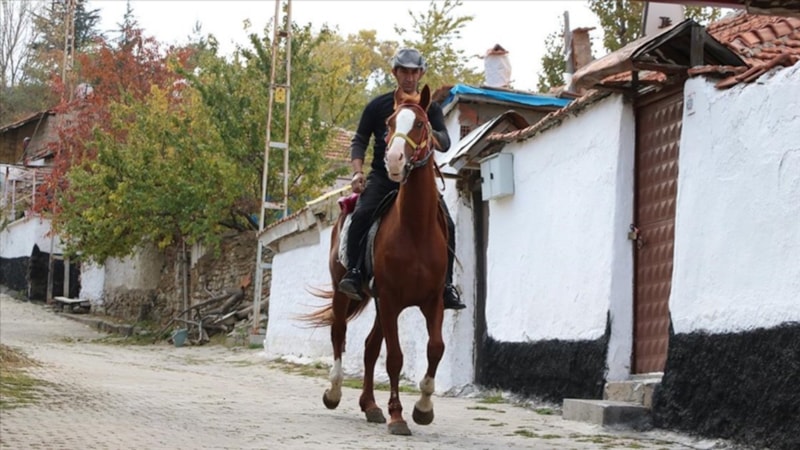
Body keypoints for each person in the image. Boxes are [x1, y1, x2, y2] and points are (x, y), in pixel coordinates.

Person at [338, 48, 466, 311]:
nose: (409, 77)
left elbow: (445, 140)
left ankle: (446, 286)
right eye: (404, 71)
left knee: (448, 225)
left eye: (414, 72)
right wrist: (357, 172)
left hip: (419, 181)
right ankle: (355, 272)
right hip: (383, 178)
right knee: (361, 216)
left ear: (421, 74)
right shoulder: (378, 106)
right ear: (395, 72)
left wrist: (428, 132)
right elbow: (360, 140)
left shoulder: (430, 108)